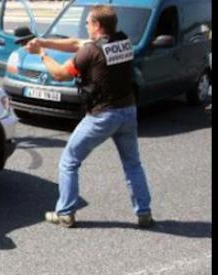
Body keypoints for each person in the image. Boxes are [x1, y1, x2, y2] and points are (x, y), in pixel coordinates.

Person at [23, 5, 154, 229]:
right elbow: (75, 43)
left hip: (103, 115)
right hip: (128, 110)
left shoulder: (91, 52)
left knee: (69, 161)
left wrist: (41, 54)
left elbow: (60, 74)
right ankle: (144, 213)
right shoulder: (123, 42)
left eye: (88, 22)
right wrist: (44, 42)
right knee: (133, 164)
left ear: (97, 25)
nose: (85, 25)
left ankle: (65, 213)